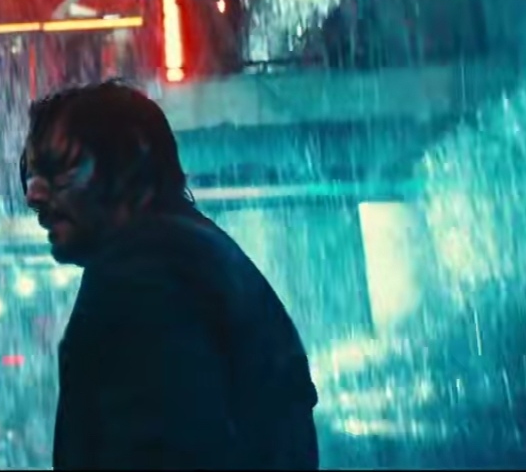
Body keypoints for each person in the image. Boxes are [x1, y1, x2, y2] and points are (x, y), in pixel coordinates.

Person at [21, 80, 320, 470]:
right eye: (30, 174)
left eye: (61, 169)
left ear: (131, 163)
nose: (33, 195)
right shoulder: (194, 254)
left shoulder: (138, 277)